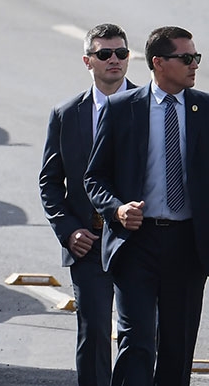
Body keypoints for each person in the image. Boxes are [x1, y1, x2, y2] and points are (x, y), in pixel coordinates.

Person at [84, 26, 209, 386]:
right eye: (186, 59)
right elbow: (95, 177)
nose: (194, 65)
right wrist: (117, 209)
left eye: (195, 58)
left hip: (187, 245)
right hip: (136, 242)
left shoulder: (204, 110)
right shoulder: (123, 109)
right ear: (158, 63)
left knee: (177, 346)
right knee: (136, 342)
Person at [39, 23, 135, 386]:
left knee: (139, 332)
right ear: (87, 61)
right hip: (89, 242)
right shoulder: (66, 114)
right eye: (105, 54)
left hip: (136, 240)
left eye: (122, 53)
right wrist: (68, 231)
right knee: (94, 330)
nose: (115, 60)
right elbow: (49, 182)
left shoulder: (146, 107)